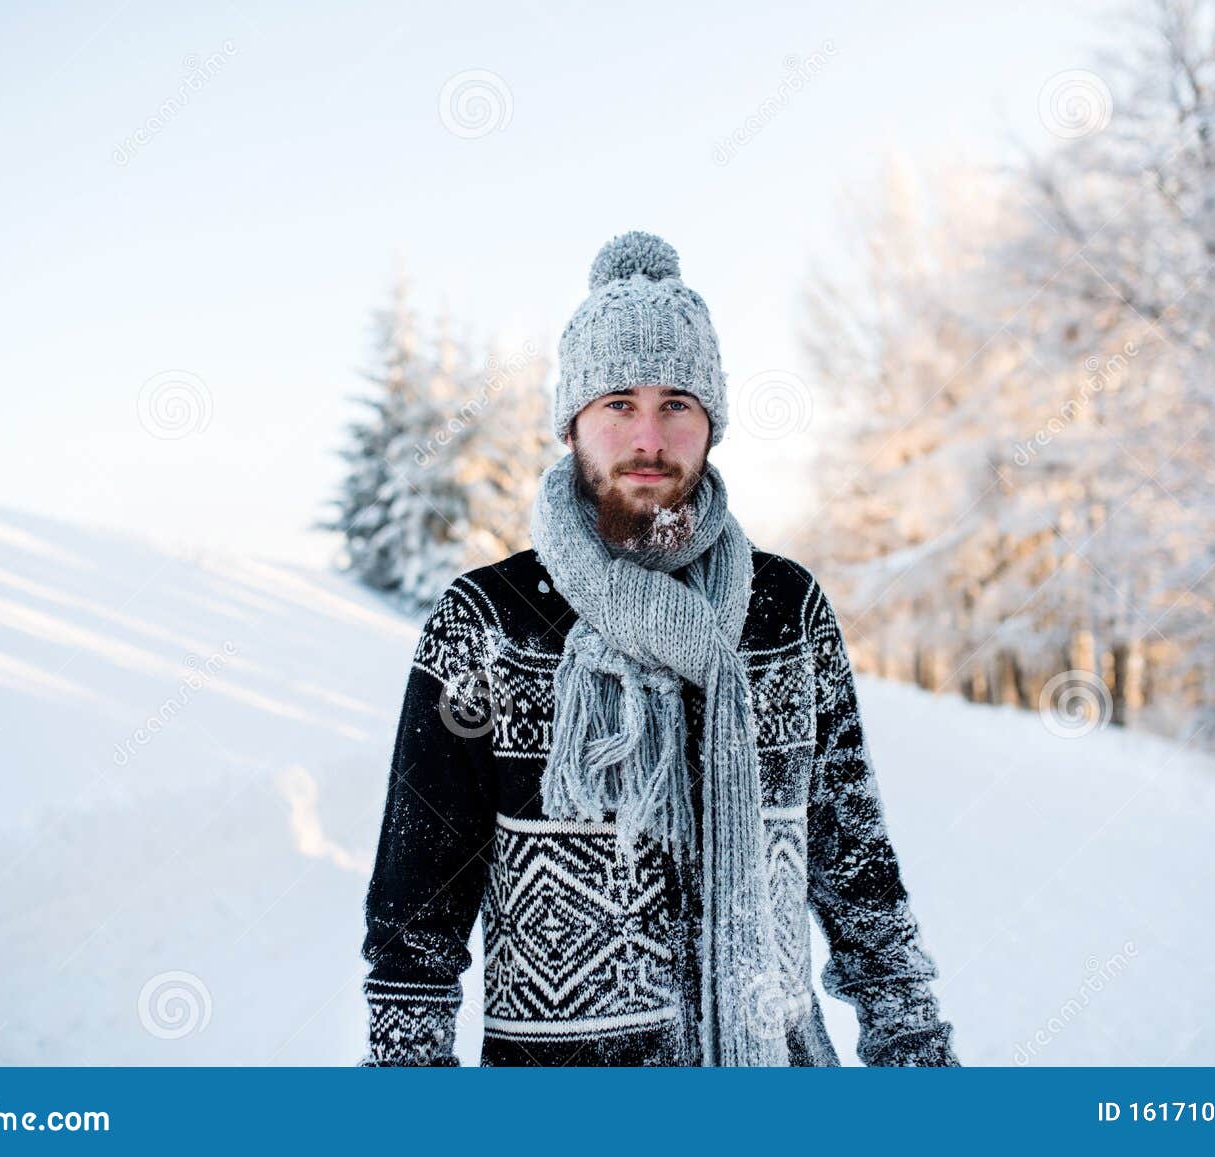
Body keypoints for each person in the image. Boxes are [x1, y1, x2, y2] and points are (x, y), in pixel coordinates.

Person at [358, 230, 959, 1067]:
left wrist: (921, 1058)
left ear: (711, 422)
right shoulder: (486, 622)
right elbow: (413, 914)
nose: (649, 437)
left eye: (677, 402)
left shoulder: (785, 612)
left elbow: (860, 877)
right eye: (619, 403)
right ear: (571, 425)